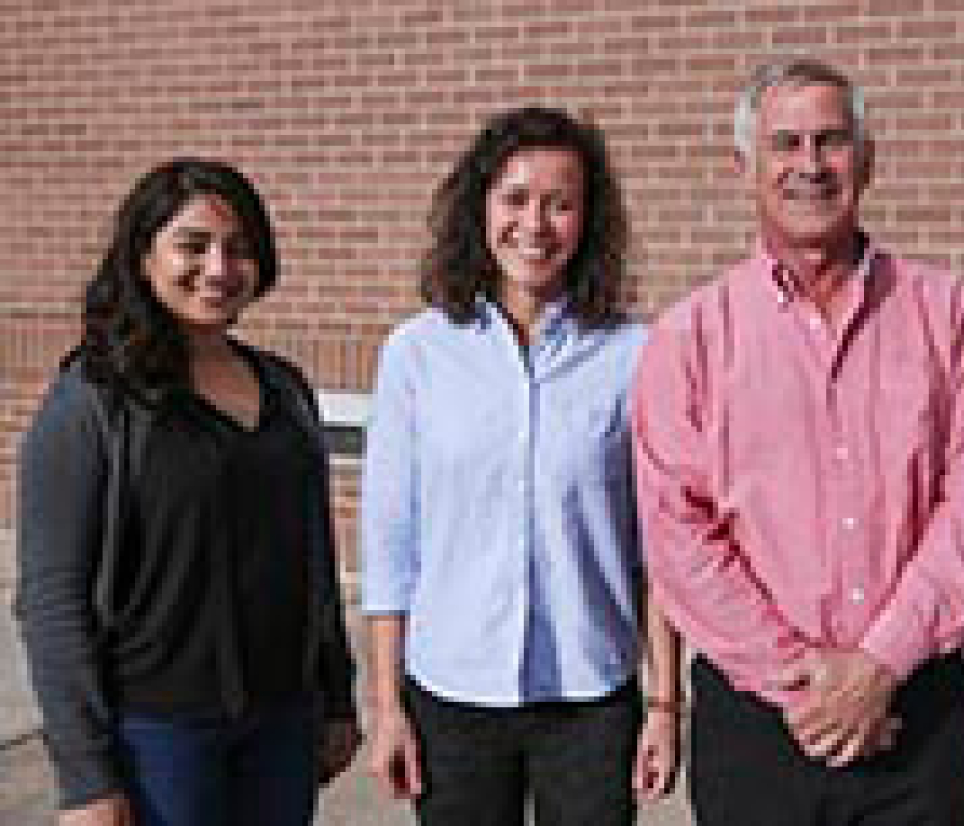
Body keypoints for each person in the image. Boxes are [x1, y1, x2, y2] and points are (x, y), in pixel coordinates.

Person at [630, 58, 964, 826]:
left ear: (866, 160)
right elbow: (679, 533)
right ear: (745, 168)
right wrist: (809, 682)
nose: (810, 164)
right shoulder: (691, 337)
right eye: (786, 144)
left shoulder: (948, 315)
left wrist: (877, 669)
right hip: (756, 725)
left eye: (831, 141)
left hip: (916, 713)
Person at [361, 105, 682, 826]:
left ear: (588, 221)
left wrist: (665, 705)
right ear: (479, 208)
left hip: (590, 700)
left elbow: (658, 550)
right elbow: (390, 545)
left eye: (560, 204)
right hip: (451, 698)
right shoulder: (417, 353)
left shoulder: (636, 355)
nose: (534, 225)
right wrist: (387, 708)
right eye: (514, 199)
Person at [16, 158, 360, 826]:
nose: (220, 267)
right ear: (142, 256)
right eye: (193, 246)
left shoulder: (285, 389)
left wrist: (336, 698)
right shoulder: (93, 402)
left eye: (239, 249)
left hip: (282, 723)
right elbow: (52, 599)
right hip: (157, 736)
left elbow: (310, 558)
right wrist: (86, 777)